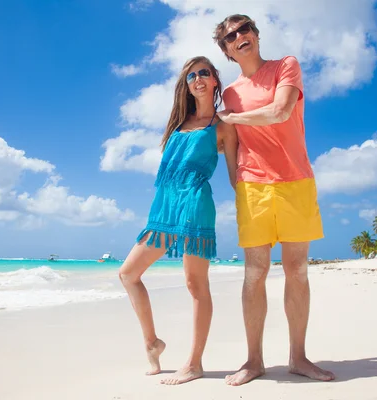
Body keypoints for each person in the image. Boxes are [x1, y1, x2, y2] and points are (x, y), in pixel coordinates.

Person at [211, 14, 336, 385]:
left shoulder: (286, 65)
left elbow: (281, 111)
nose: (239, 37)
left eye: (243, 29)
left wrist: (232, 119)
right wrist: (238, 181)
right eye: (230, 37)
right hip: (253, 186)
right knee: (255, 273)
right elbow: (229, 144)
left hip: (296, 180)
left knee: (297, 271)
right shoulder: (230, 94)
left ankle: (298, 357)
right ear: (228, 51)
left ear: (255, 34)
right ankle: (253, 361)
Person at [118, 56, 238, 385]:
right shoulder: (179, 123)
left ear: (215, 79)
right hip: (164, 207)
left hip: (195, 203)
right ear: (185, 85)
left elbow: (235, 174)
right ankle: (152, 343)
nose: (197, 79)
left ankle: (195, 362)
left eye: (204, 73)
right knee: (128, 273)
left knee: (195, 285)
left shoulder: (223, 123)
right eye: (191, 76)